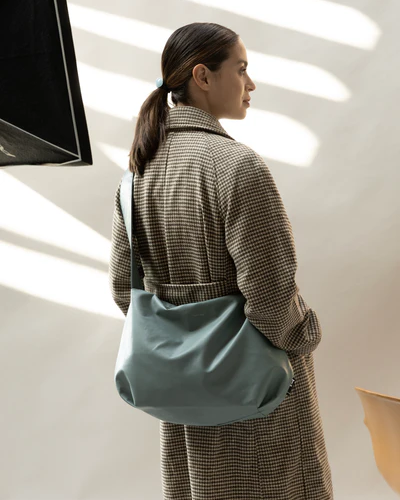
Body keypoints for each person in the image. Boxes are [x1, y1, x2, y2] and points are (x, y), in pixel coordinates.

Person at [109, 22, 334, 500]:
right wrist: (306, 333)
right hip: (262, 399)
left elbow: (122, 290)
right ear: (202, 76)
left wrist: (182, 344)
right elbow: (271, 299)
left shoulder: (137, 174)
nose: (251, 84)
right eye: (241, 69)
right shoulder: (236, 166)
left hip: (184, 406)